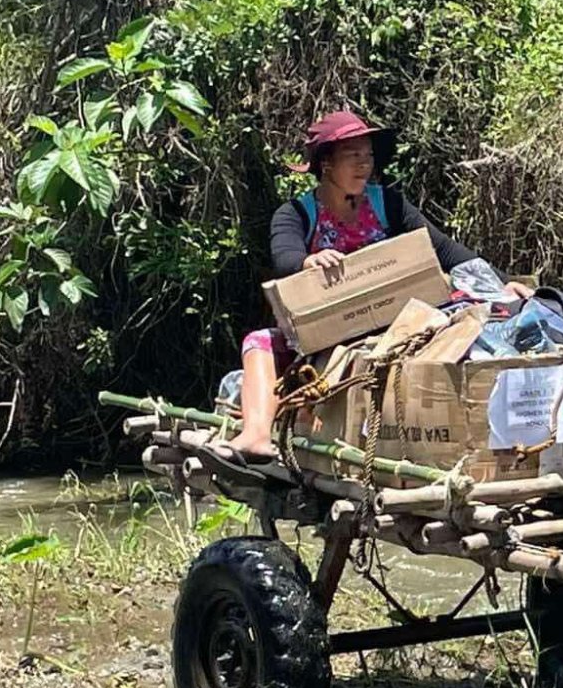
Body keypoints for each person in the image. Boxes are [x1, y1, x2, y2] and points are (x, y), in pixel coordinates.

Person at [219, 110, 525, 459]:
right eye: (352, 155)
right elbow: (285, 257)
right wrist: (308, 262)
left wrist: (502, 283)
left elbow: (443, 249)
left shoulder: (389, 203)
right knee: (258, 341)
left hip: (394, 318)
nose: (363, 164)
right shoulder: (296, 214)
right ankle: (256, 435)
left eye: (367, 155)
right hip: (327, 329)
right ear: (326, 164)